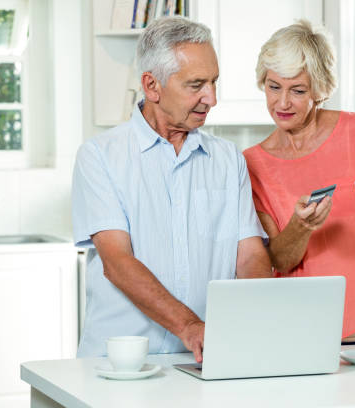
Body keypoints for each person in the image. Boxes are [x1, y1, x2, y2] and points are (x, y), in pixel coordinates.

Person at [72, 17, 271, 362]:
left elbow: (249, 254)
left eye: (214, 82)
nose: (211, 98)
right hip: (118, 363)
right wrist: (191, 326)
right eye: (196, 85)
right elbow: (117, 262)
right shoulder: (100, 156)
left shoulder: (227, 159)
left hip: (197, 360)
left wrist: (250, 323)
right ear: (152, 86)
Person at [243, 20, 355, 344]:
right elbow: (279, 260)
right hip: (305, 332)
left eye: (297, 90)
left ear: (320, 88)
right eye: (274, 87)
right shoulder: (253, 164)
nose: (282, 103)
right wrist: (302, 227)